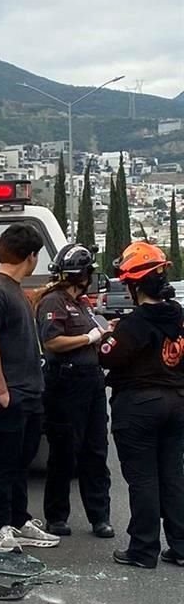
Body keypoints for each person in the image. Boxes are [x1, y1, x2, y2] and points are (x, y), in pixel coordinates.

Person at [0, 223, 61, 553]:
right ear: (32, 257)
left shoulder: (14, 290)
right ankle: (0, 528)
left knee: (21, 460)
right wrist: (1, 391)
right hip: (10, 393)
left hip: (29, 390)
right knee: (5, 462)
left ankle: (20, 520)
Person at [99, 242, 184, 569]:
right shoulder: (179, 317)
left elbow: (107, 355)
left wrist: (107, 336)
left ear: (134, 286)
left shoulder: (134, 324)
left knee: (144, 478)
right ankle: (180, 545)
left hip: (139, 406)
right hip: (177, 403)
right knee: (173, 475)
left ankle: (143, 549)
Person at [34, 244, 114, 539]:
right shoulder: (53, 303)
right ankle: (56, 517)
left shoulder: (83, 304)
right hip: (65, 384)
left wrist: (104, 332)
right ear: (81, 275)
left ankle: (100, 517)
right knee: (64, 452)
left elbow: (92, 333)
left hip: (91, 383)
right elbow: (52, 342)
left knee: (95, 452)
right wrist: (89, 336)